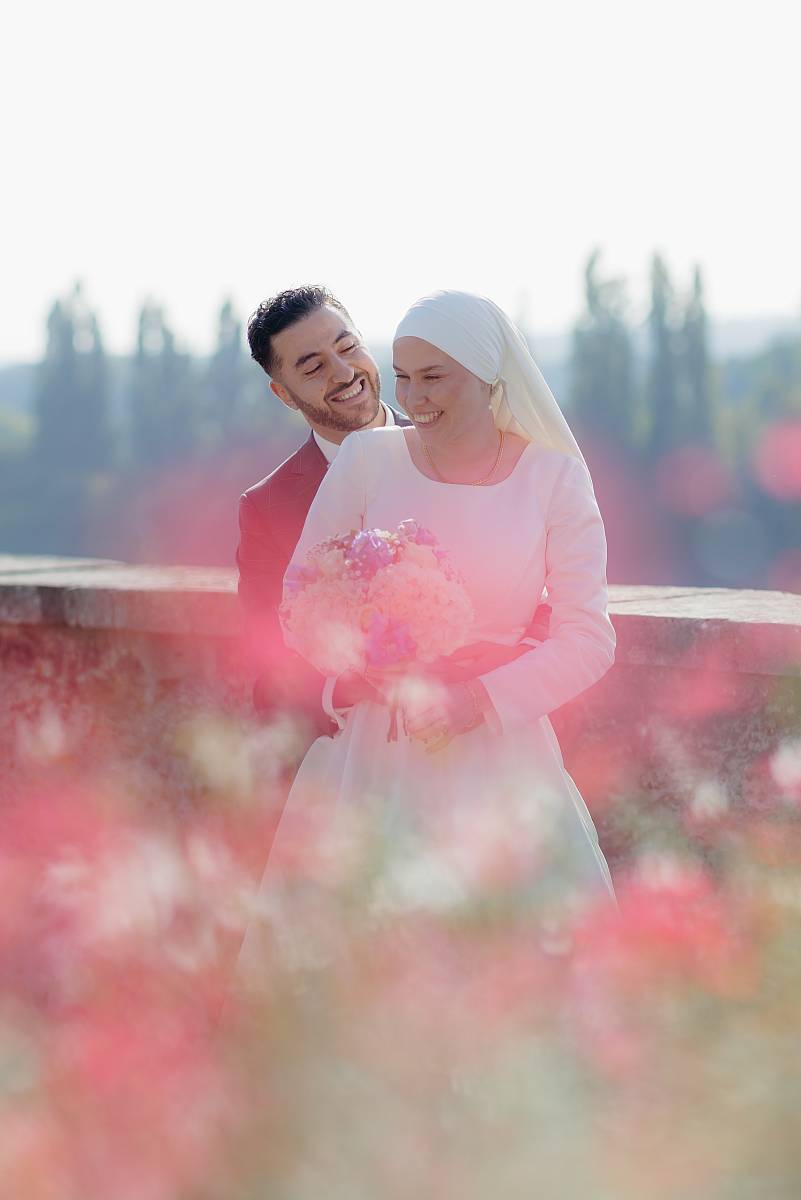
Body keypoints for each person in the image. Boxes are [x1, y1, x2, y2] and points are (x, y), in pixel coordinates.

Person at [240, 289, 616, 975]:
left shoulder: (554, 479)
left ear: (487, 375)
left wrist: (480, 699)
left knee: (504, 969)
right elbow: (298, 599)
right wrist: (360, 663)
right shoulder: (367, 460)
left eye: (433, 377)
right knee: (358, 970)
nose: (412, 395)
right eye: (405, 374)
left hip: (499, 759)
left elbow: (588, 637)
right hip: (368, 762)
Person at [237, 285, 551, 739]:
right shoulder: (265, 507)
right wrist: (350, 687)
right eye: (314, 367)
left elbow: (546, 585)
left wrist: (499, 667)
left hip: (490, 735)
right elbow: (268, 664)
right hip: (357, 762)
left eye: (348, 347)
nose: (344, 373)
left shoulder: (472, 445)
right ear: (284, 394)